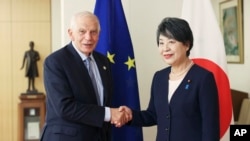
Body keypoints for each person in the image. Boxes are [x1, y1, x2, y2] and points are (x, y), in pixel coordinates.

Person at [120, 17, 220, 141]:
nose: (165, 48)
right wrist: (131, 115)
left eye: (171, 42)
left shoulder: (203, 78)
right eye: (161, 43)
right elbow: (153, 115)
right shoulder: (159, 77)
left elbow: (210, 128)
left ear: (187, 45)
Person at [40, 11, 130, 141]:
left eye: (93, 32)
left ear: (99, 35)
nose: (88, 37)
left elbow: (103, 101)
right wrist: (110, 114)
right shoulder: (55, 62)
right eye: (82, 32)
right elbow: (64, 107)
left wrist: (119, 115)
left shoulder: (103, 62)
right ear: (71, 34)